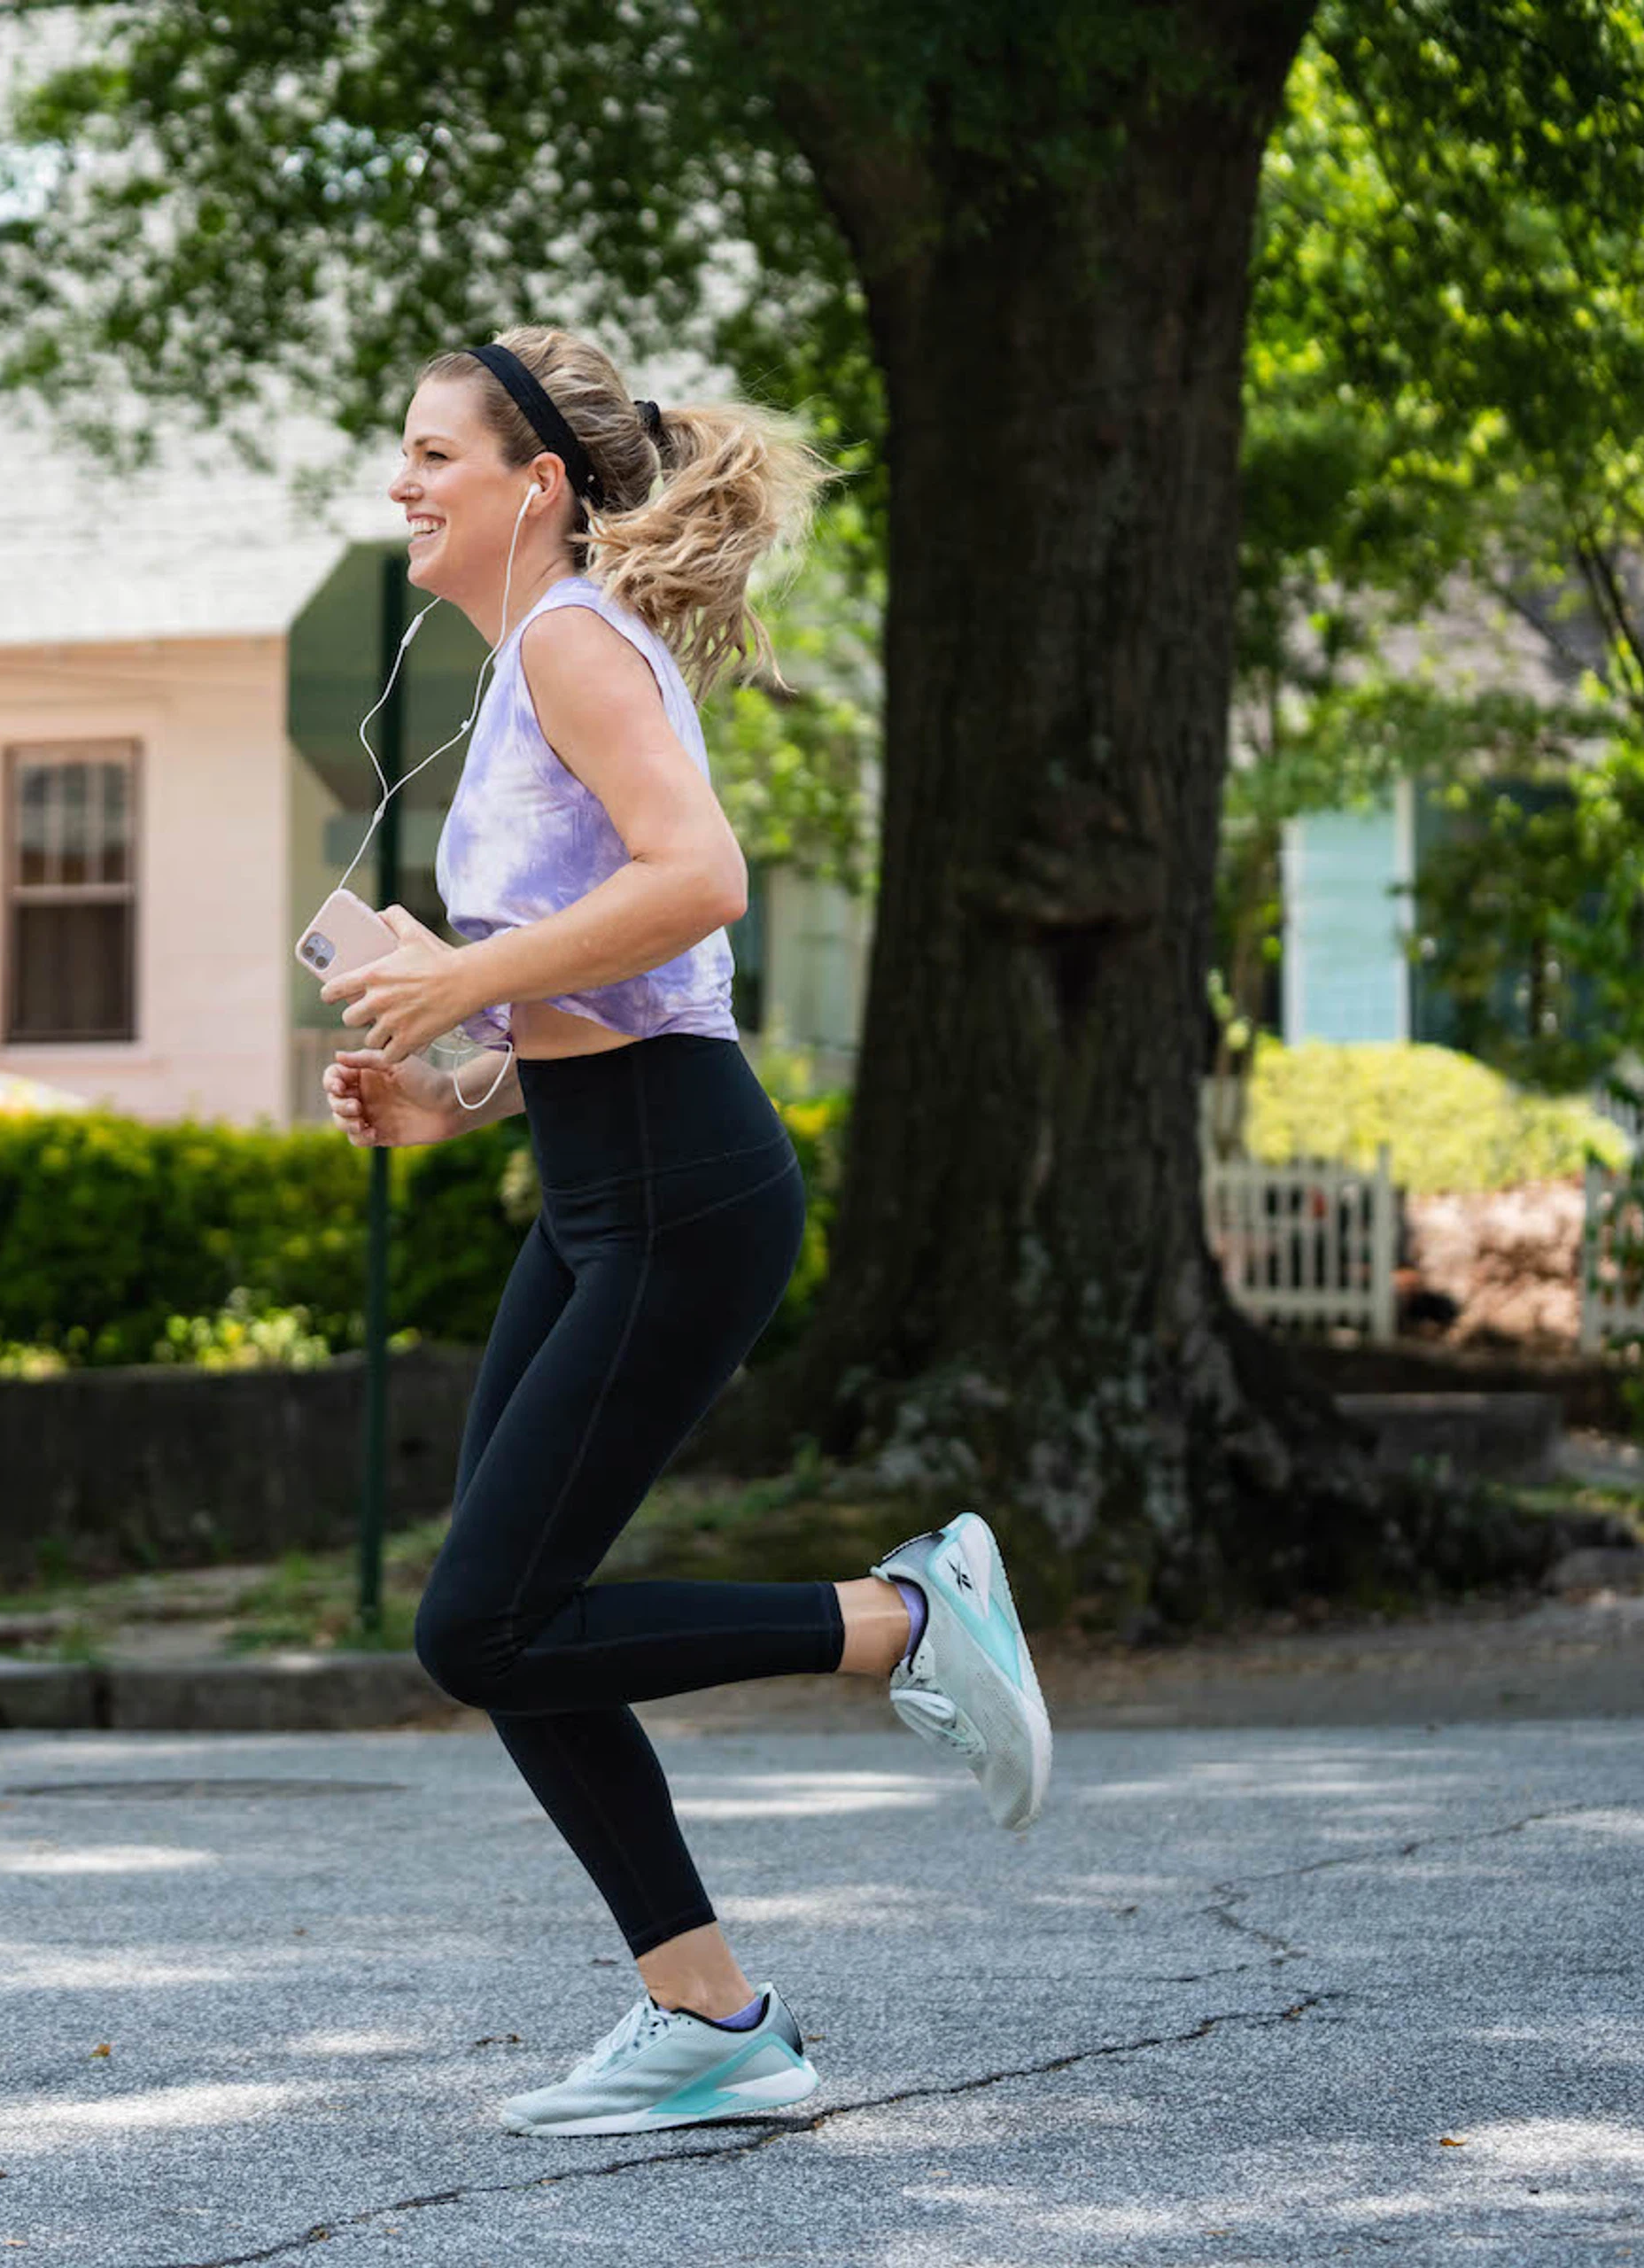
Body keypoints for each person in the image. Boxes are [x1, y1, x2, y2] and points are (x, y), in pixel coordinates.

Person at [318, 327, 1054, 2139]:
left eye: (433, 455)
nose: (402, 484)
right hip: (605, 1186)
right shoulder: (530, 663)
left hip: (677, 1190)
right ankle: (712, 2018)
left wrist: (461, 978)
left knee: (485, 1625)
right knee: (512, 1620)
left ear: (537, 485)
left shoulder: (573, 640)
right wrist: (461, 1085)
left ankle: (904, 1616)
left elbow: (701, 876)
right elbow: (627, 975)